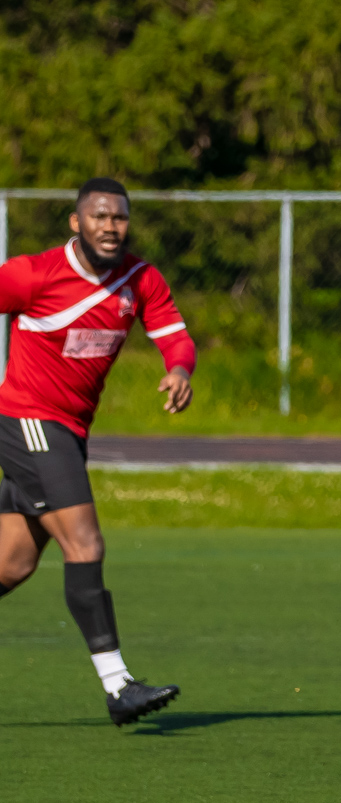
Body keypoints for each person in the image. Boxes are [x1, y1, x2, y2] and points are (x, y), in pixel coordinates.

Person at [0, 177, 192, 725]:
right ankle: (118, 685)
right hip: (28, 422)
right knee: (84, 543)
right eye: (100, 217)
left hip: (68, 433)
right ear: (75, 222)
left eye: (120, 218)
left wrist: (179, 369)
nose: (111, 227)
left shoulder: (141, 278)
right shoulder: (33, 274)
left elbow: (175, 336)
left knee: (11, 565)